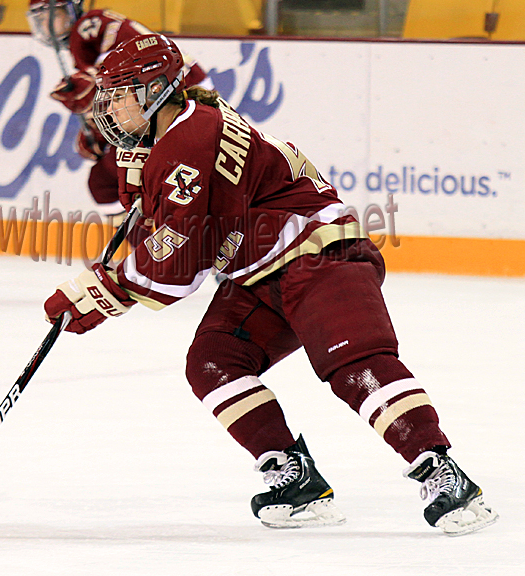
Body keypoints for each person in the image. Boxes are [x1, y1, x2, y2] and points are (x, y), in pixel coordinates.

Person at [43, 34, 499, 535]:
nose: (109, 107)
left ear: (154, 91)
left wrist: (100, 290)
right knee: (213, 363)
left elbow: (175, 267)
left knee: (354, 364)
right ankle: (296, 479)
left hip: (320, 253)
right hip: (260, 272)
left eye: (119, 93)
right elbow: (158, 221)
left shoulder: (186, 144)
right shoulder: (182, 126)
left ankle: (442, 471)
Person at [27, 0, 211, 213]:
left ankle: (152, 239)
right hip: (180, 100)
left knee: (105, 184)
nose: (45, 25)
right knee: (113, 181)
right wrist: (98, 129)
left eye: (51, 15)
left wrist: (92, 98)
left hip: (174, 103)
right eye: (38, 19)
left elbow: (115, 84)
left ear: (71, 9)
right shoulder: (93, 29)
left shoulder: (85, 29)